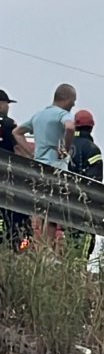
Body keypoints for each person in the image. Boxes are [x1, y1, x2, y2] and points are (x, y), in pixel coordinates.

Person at [13, 84, 77, 247]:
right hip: (56, 169)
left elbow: (17, 132)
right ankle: (48, 250)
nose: (73, 105)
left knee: (39, 212)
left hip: (39, 169)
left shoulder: (38, 115)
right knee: (53, 214)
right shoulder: (62, 114)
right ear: (67, 99)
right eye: (73, 101)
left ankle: (39, 248)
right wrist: (65, 149)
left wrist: (31, 153)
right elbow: (70, 127)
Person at [0, 89, 34, 251]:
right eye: (7, 104)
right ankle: (16, 246)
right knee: (14, 218)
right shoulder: (8, 125)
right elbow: (19, 149)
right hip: (8, 180)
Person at [66, 109, 102, 259]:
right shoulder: (92, 149)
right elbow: (96, 180)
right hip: (86, 205)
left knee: (70, 239)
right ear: (92, 127)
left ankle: (70, 269)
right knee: (85, 240)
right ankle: (79, 272)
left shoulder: (67, 145)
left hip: (67, 201)